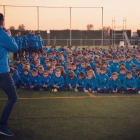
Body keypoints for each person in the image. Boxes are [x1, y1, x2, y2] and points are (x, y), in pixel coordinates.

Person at [0, 13, 18, 136]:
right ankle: (2, 125)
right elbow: (15, 48)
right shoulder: (3, 34)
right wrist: (10, 36)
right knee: (13, 97)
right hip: (2, 71)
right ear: (2, 22)